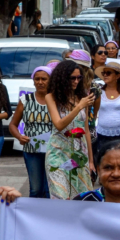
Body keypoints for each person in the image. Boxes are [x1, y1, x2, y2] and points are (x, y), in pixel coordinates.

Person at [45, 60, 95, 200]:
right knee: (60, 196)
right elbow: (59, 125)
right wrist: (79, 107)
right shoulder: (51, 97)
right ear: (62, 78)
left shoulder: (82, 97)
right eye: (72, 78)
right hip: (58, 154)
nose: (76, 81)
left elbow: (86, 131)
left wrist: (91, 161)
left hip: (79, 154)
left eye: (79, 78)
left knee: (80, 197)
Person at [8, 66, 53, 198]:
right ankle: (33, 216)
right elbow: (12, 125)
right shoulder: (25, 100)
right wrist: (19, 137)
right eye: (37, 79)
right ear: (33, 81)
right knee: (36, 189)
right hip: (32, 150)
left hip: (53, 150)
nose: (40, 82)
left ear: (50, 80)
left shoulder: (56, 100)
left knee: (50, 189)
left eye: (44, 79)